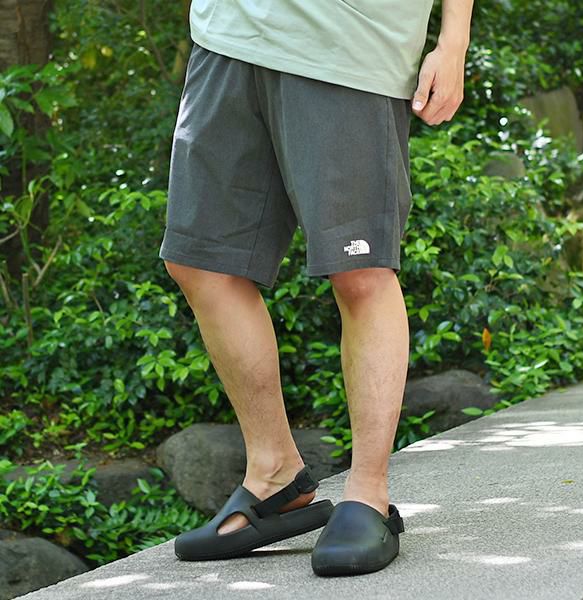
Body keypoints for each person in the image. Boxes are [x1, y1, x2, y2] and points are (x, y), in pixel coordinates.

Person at [159, 0, 474, 576]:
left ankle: (368, 492)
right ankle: (275, 474)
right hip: (226, 36)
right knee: (201, 262)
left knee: (360, 269)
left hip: (350, 43)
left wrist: (454, 41)